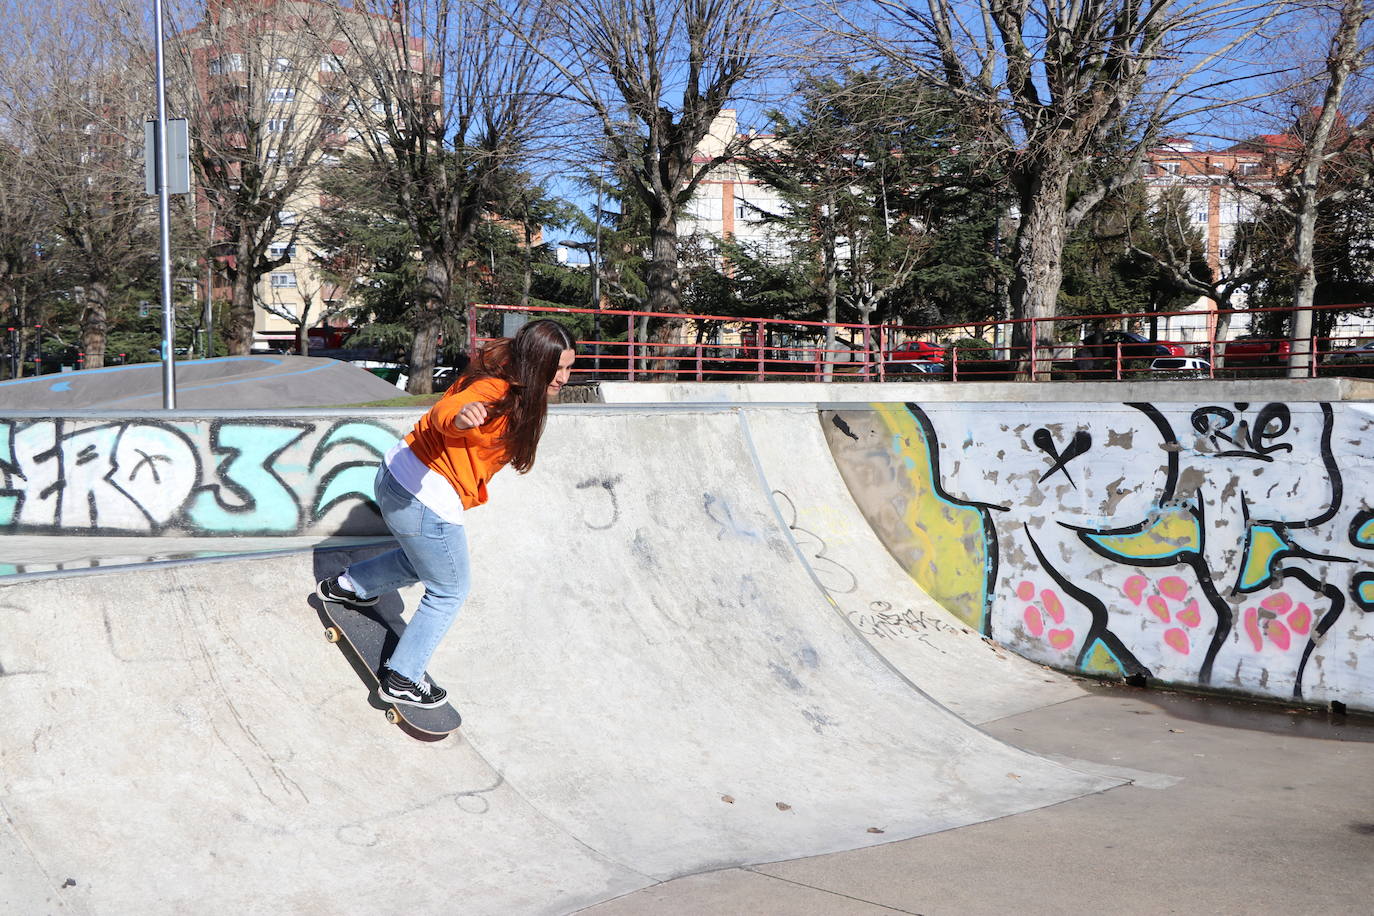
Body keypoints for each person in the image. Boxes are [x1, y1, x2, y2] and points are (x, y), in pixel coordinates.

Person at [317, 319, 577, 708]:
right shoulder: (494, 388)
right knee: (449, 589)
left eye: (569, 367)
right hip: (424, 498)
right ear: (533, 362)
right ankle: (403, 678)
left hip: (395, 474)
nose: (563, 378)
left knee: (426, 560)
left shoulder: (504, 369)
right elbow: (449, 411)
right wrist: (460, 418)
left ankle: (349, 586)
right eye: (555, 369)